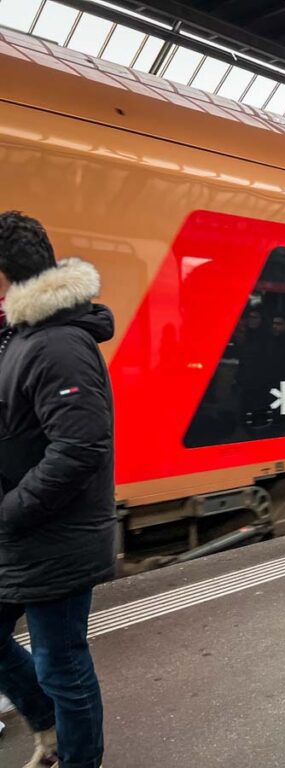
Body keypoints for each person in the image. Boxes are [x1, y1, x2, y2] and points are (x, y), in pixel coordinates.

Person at [0, 211, 114, 768]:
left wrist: (11, 511)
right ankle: (46, 726)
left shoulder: (58, 344)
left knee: (62, 662)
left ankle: (78, 758)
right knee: (52, 664)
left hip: (51, 531)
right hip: (26, 531)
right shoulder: (22, 336)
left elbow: (80, 446)